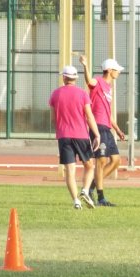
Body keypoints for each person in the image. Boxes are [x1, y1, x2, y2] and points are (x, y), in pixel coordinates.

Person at [49, 66, 99, 210]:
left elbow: (53, 119)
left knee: (70, 170)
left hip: (64, 136)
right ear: (76, 78)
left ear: (64, 77)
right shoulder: (83, 94)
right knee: (89, 166)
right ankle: (85, 190)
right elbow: (89, 116)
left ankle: (76, 200)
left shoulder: (55, 94)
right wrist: (97, 134)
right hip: (81, 135)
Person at [79, 55, 126, 207]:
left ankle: (90, 188)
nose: (118, 72)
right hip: (98, 127)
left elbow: (108, 113)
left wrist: (118, 130)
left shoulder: (109, 88)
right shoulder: (98, 81)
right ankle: (100, 198)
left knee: (116, 160)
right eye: (116, 70)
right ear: (110, 70)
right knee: (101, 161)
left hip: (107, 127)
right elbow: (89, 81)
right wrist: (85, 66)